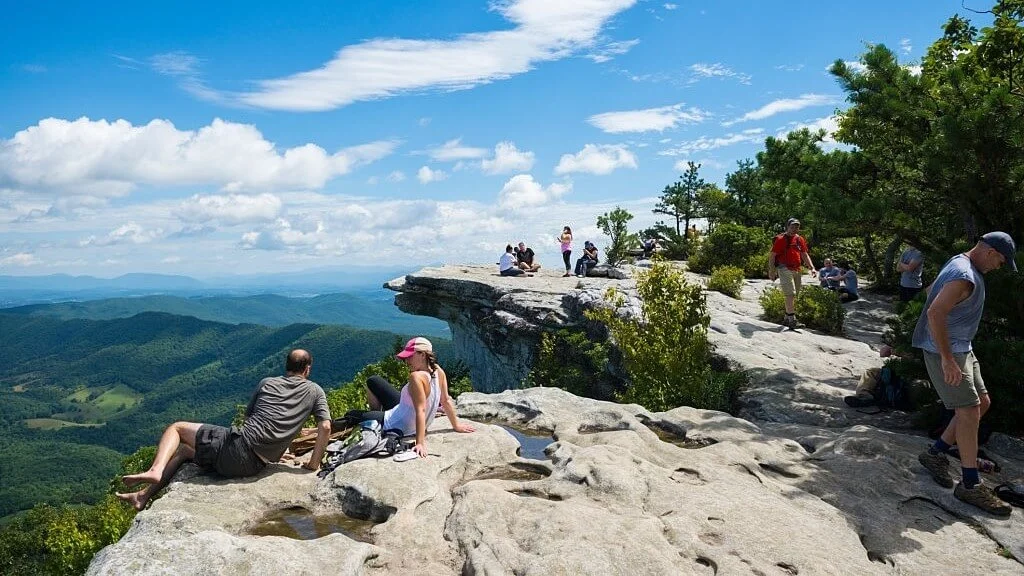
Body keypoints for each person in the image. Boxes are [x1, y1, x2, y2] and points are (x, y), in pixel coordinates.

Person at [116, 350, 331, 511]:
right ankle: (143, 497)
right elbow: (325, 426)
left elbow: (250, 419)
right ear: (307, 369)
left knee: (177, 428)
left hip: (235, 449)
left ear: (287, 366)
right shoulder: (315, 391)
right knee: (185, 451)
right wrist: (313, 463)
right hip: (253, 466)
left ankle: (155, 470)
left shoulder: (267, 383)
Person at [915, 231, 1017, 517]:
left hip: (961, 347)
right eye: (1001, 261)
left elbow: (930, 292)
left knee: (980, 404)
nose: (999, 267)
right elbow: (935, 313)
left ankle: (935, 454)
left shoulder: (958, 263)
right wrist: (947, 359)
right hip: (948, 351)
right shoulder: (964, 275)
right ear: (989, 251)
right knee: (970, 410)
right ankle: (970, 485)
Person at [349, 337, 475, 458]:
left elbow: (421, 410)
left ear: (423, 355)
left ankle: (377, 419)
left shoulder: (416, 377)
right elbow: (445, 400)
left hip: (396, 423)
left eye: (410, 356)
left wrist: (420, 443)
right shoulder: (438, 371)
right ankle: (376, 413)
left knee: (352, 415)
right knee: (373, 381)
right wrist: (456, 426)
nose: (407, 360)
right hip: (404, 411)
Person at [768, 218, 816, 328]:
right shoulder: (780, 239)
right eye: (792, 226)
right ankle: (792, 320)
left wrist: (812, 267)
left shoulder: (799, 239)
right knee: (790, 294)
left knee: (795, 295)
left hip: (797, 269)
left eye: (797, 227)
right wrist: (772, 270)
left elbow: (804, 254)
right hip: (784, 268)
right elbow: (772, 256)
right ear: (787, 226)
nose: (794, 229)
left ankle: (786, 318)